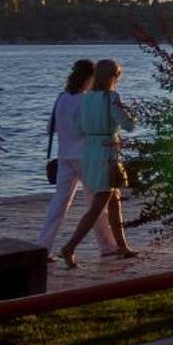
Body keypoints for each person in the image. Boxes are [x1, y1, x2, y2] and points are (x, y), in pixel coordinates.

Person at [59, 59, 138, 267]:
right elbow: (128, 125)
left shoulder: (86, 99)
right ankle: (70, 247)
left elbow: (78, 127)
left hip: (90, 151)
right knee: (99, 205)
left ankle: (122, 245)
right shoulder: (111, 98)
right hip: (107, 151)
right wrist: (132, 118)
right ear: (113, 77)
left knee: (113, 201)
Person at [34, 59, 114, 257]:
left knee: (58, 204)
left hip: (64, 157)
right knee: (96, 204)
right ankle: (107, 246)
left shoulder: (61, 98)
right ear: (90, 78)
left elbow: (49, 128)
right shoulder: (87, 100)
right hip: (86, 158)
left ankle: (43, 248)